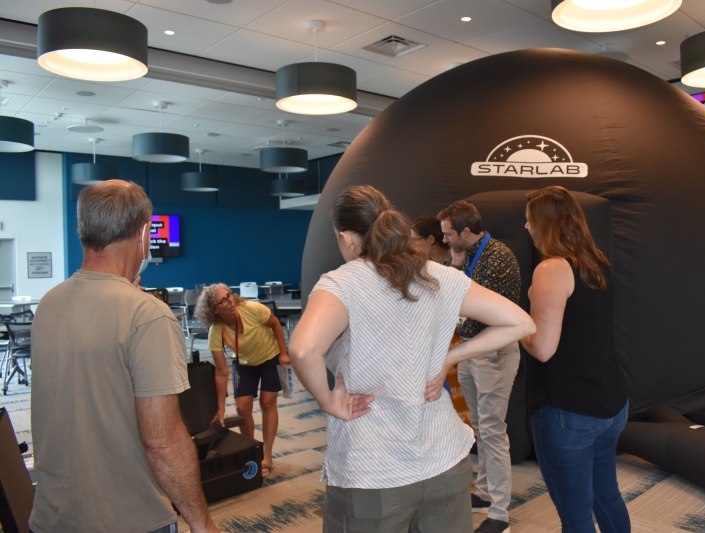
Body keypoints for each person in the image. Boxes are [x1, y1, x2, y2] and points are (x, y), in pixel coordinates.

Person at [289, 185, 535, 533]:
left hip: (371, 471)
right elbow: (521, 321)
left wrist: (328, 401)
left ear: (345, 238)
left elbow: (301, 349)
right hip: (445, 463)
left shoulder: (342, 284)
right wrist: (453, 356)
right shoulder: (439, 275)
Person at [30, 180, 221, 533]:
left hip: (52, 515)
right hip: (130, 520)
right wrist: (201, 522)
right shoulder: (146, 315)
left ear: (83, 229)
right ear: (144, 231)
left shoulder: (49, 303)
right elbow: (162, 443)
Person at [520, 186, 630, 533]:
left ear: (545, 224)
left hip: (569, 411)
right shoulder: (596, 260)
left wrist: (517, 325)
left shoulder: (551, 269)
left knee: (577, 517)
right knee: (606, 496)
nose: (526, 227)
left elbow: (542, 347)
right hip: (609, 401)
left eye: (529, 220)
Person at [438, 200, 521, 533]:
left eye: (447, 235)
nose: (444, 241)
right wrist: (457, 265)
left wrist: (456, 271)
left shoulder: (497, 257)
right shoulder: (468, 254)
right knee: (482, 428)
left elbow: (472, 312)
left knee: (492, 431)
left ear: (466, 231)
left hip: (493, 353)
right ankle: (486, 493)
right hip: (474, 351)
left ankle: (500, 514)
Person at [195, 284, 290, 477]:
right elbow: (221, 373)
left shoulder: (253, 309)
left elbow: (276, 325)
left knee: (267, 403)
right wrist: (220, 409)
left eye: (229, 295)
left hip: (269, 358)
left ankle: (267, 456)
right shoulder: (216, 330)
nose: (229, 301)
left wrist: (283, 353)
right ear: (213, 310)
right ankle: (252, 451)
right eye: (223, 300)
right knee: (242, 407)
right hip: (245, 364)